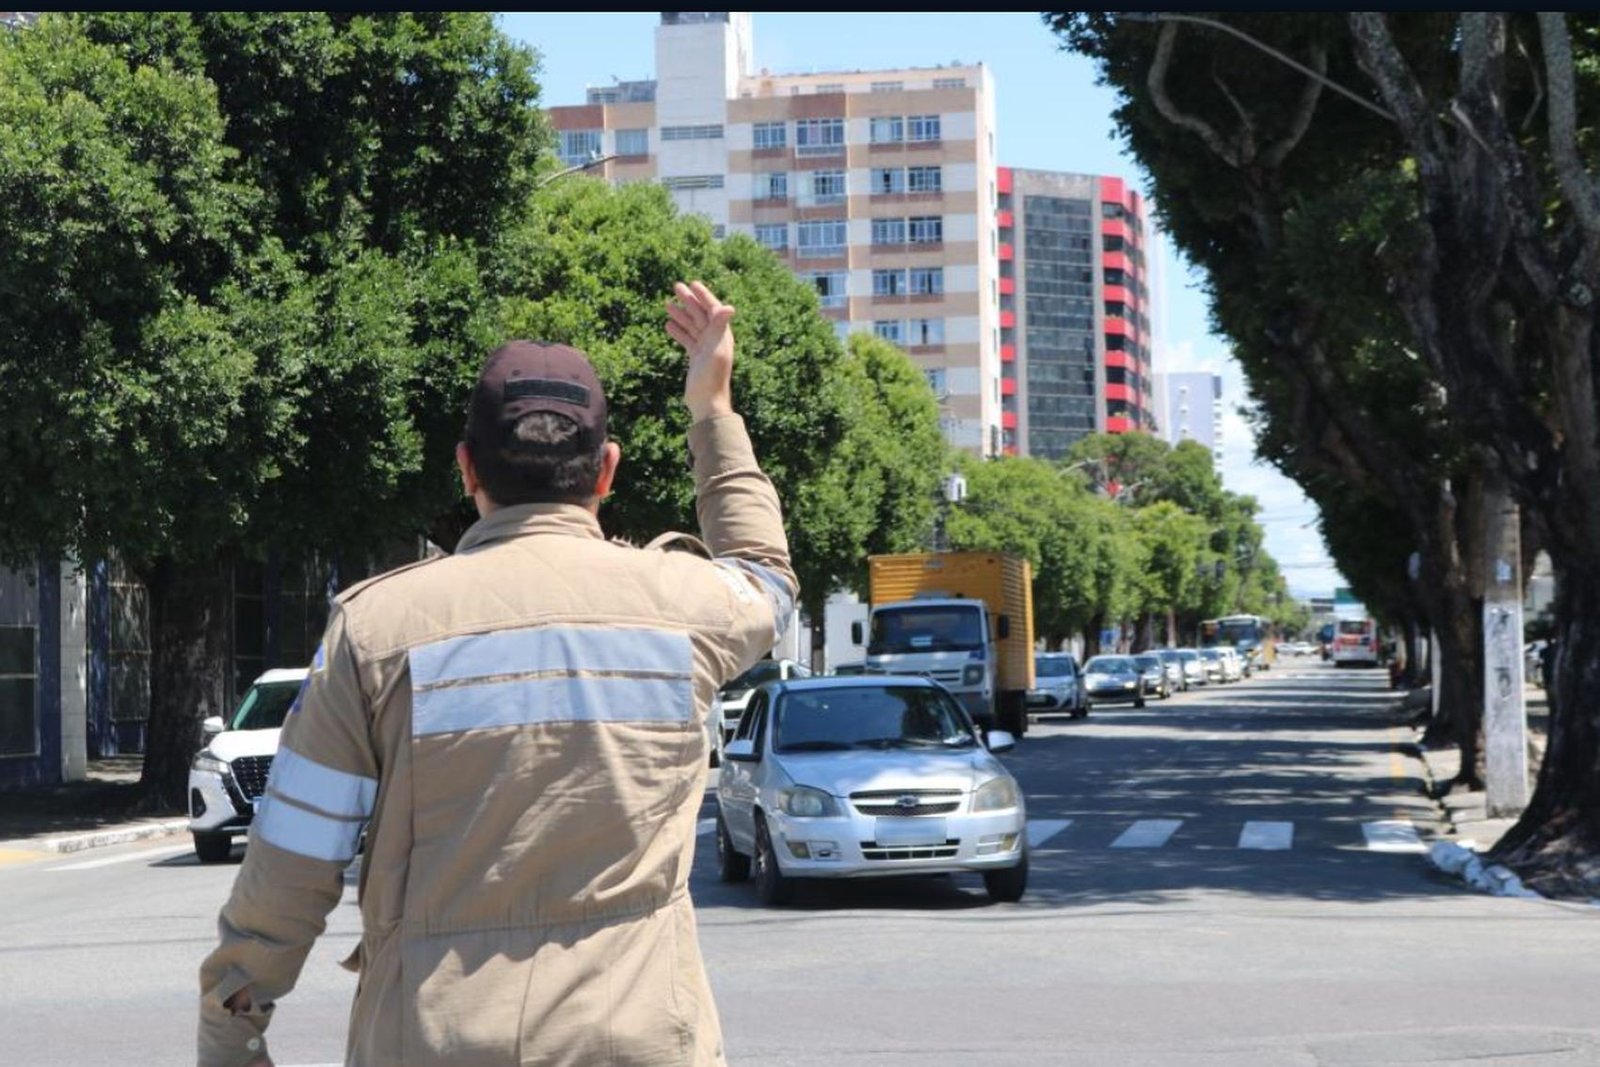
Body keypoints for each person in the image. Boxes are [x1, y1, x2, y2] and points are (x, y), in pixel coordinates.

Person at [197, 281, 797, 1066]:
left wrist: (232, 1029)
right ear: (606, 470)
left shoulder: (376, 629)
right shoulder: (685, 609)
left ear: (466, 467)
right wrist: (712, 409)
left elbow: (292, 862)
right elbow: (766, 578)